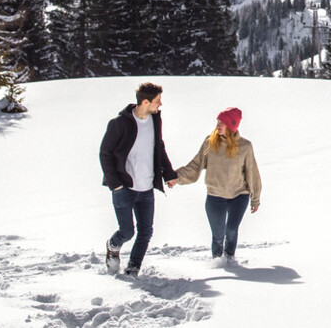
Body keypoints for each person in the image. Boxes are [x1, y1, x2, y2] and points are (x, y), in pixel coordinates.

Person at [98, 82, 180, 276]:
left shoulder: (154, 121)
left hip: (146, 188)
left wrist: (168, 174)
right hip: (124, 188)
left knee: (146, 232)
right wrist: (115, 184)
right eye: (157, 101)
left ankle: (133, 268)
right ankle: (113, 245)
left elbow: (159, 148)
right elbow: (105, 153)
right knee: (127, 232)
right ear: (145, 101)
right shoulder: (119, 124)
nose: (160, 104)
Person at [174, 107, 263, 265]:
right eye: (217, 122)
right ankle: (217, 262)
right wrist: (177, 177)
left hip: (238, 195)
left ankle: (229, 260)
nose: (218, 125)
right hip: (215, 195)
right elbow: (196, 165)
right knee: (218, 233)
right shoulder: (210, 142)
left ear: (232, 125)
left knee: (231, 230)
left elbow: (252, 172)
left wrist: (255, 198)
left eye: (222, 123)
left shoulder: (245, 146)